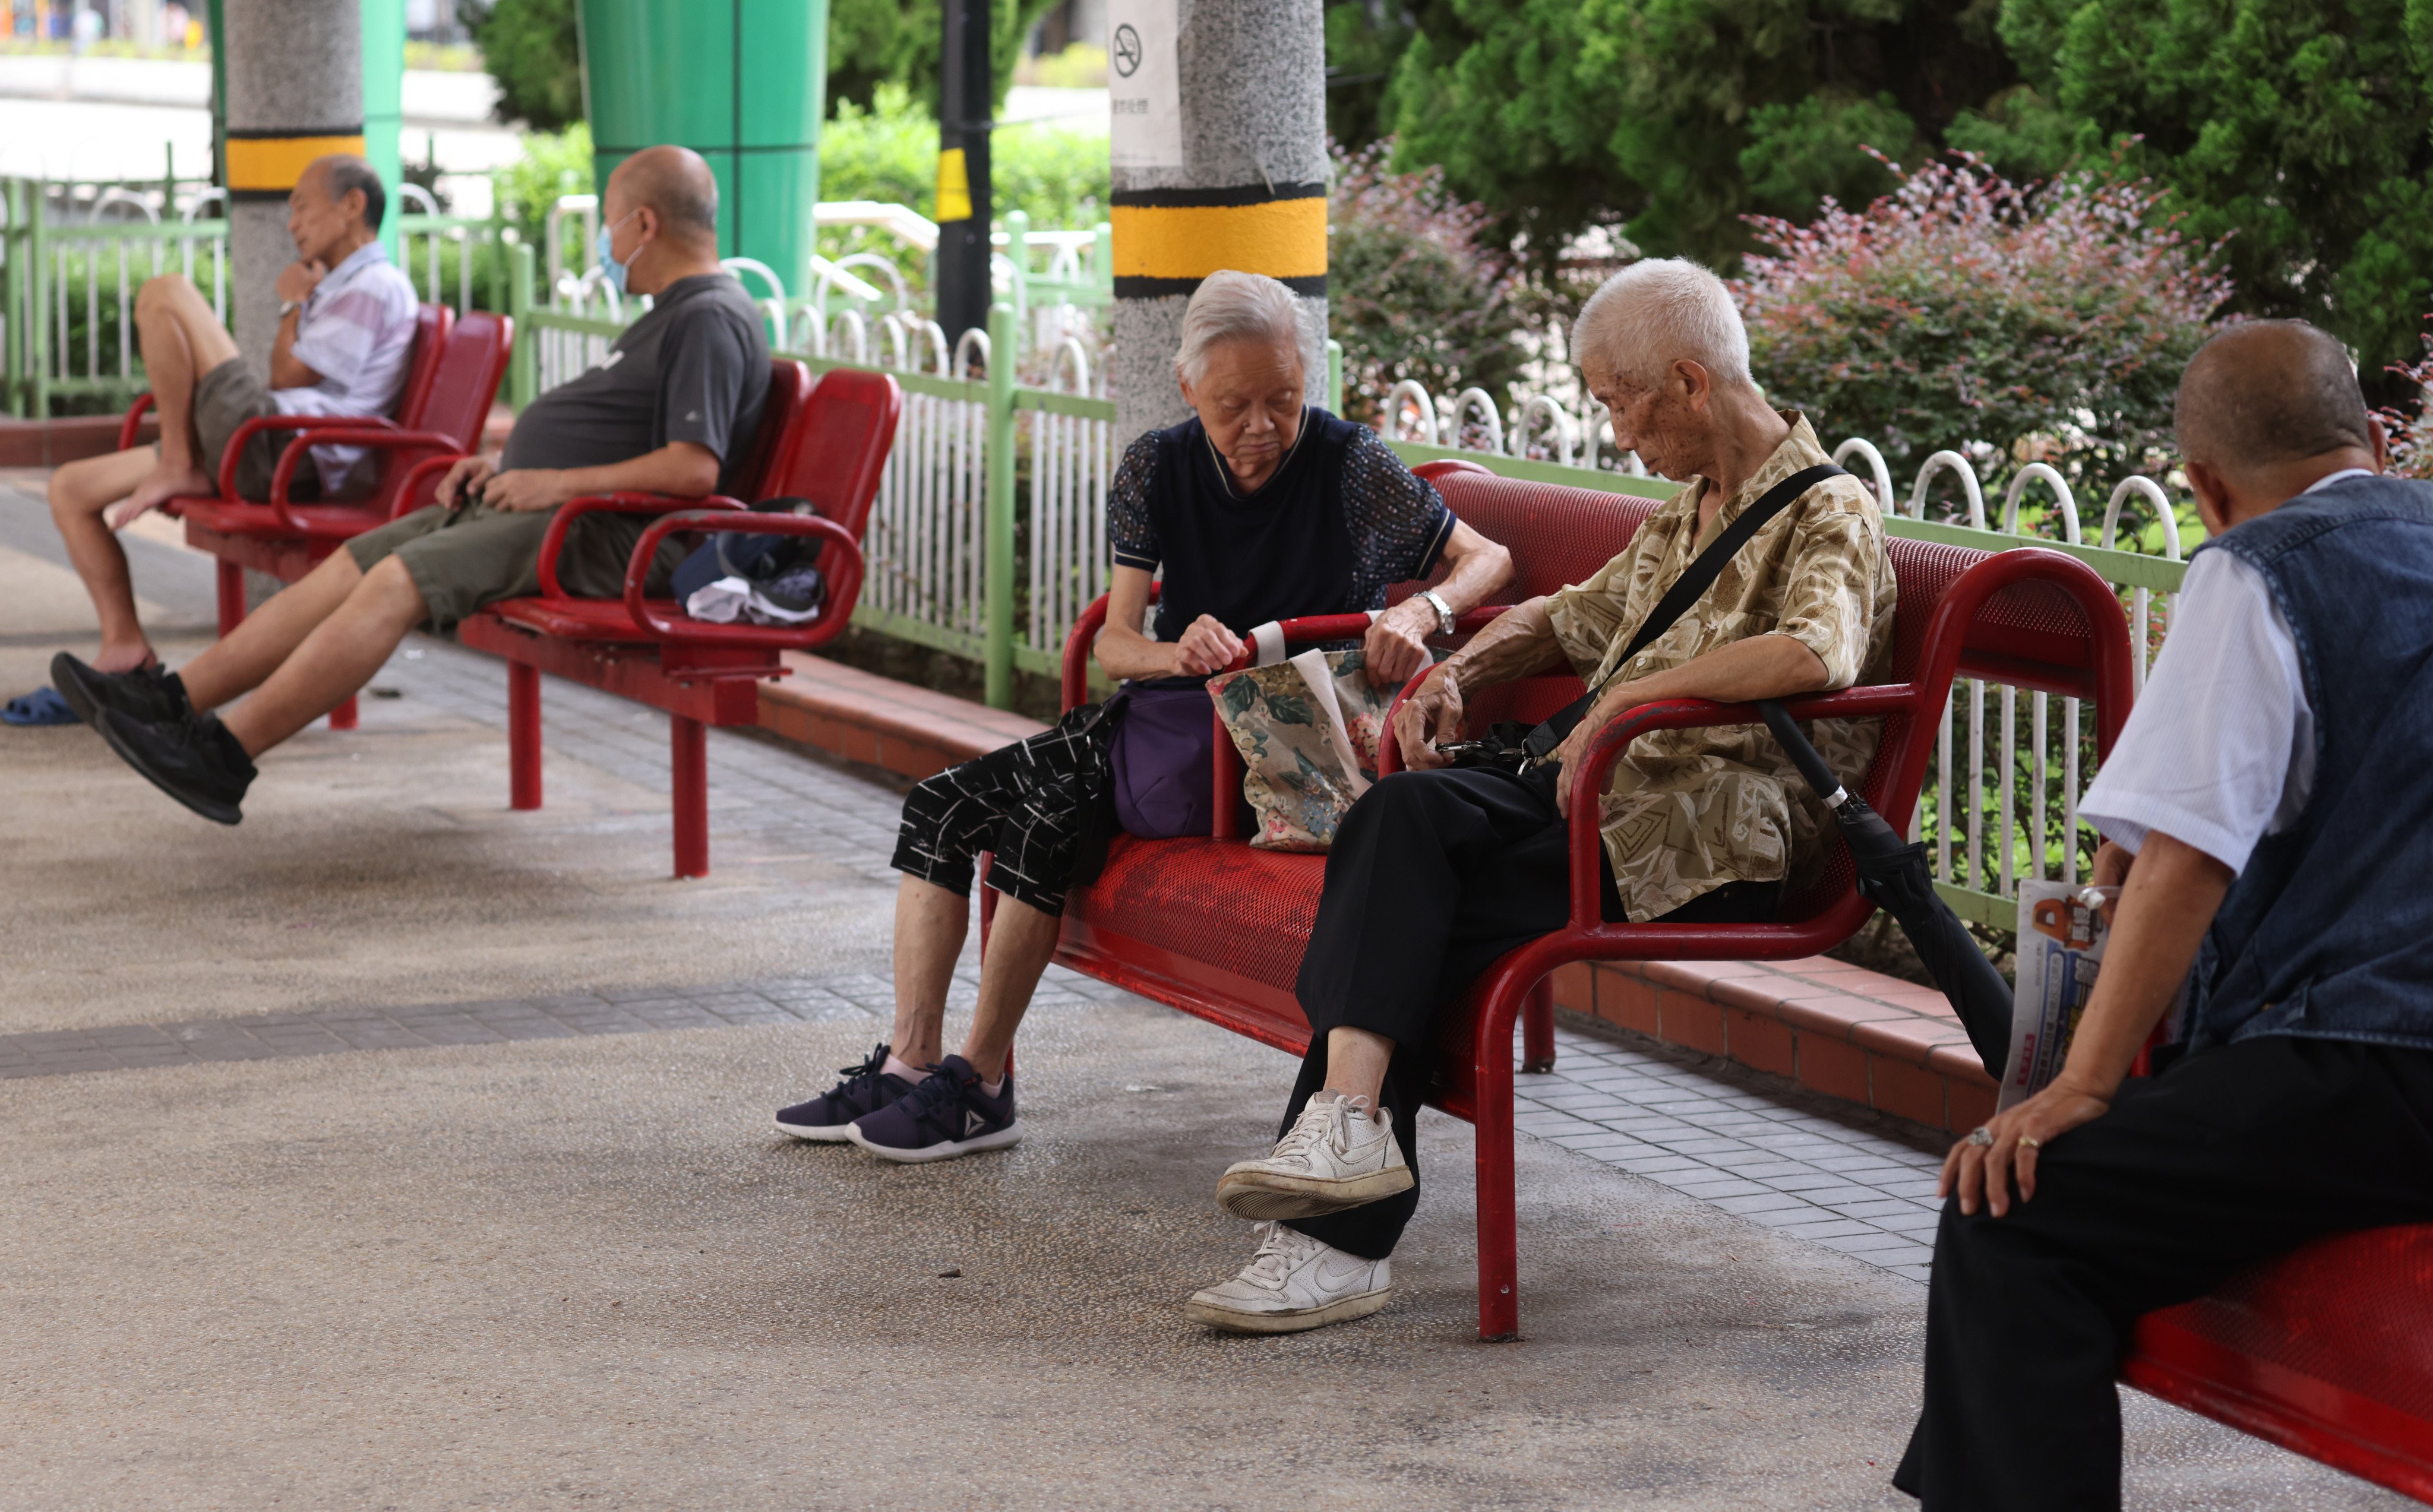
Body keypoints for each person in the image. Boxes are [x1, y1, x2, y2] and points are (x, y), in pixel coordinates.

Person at [1184, 258, 1899, 1334]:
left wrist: (1636, 697)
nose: (1617, 432)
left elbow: (1816, 648)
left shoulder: (1829, 507)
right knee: (1397, 825)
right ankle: (1346, 1141)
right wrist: (1455, 674)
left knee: (1410, 905)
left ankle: (1332, 1233)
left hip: (1706, 838)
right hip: (1595, 801)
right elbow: (1567, 615)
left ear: (1691, 383)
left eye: (1620, 403)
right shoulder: (1688, 513)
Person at [771, 269, 1515, 1163]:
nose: (1261, 427)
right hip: (1169, 729)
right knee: (936, 802)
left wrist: (1419, 612)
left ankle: (981, 1080)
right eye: (1233, 403)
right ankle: (914, 1063)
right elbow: (1114, 644)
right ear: (1187, 387)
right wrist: (1179, 652)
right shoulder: (1156, 464)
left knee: (1037, 811)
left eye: (1283, 397)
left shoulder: (1347, 461)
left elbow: (1488, 558)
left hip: (1274, 762)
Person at [1892, 320, 2433, 1510]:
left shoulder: (2257, 569)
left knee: (2012, 1214)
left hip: (2364, 1070)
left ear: (2199, 485)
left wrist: (2077, 1088)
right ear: (2375, 440)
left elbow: (2180, 854)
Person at [51, 146, 770, 825]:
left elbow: (691, 468)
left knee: (396, 581)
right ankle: (170, 703)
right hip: (559, 508)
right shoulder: (672, 316)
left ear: (644, 223)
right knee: (354, 564)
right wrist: (508, 468)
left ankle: (223, 755)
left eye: (610, 225)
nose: (608, 247)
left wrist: (555, 481)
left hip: (611, 532)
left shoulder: (706, 316)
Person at [13, 156, 417, 725]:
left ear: (352, 206)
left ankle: (179, 457)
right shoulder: (340, 285)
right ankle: (126, 650)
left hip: (286, 453)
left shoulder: (375, 284)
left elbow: (288, 378)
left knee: (168, 292)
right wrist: (300, 301)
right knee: (71, 489)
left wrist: (293, 302)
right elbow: (290, 372)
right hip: (266, 443)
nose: (292, 223)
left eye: (302, 205)